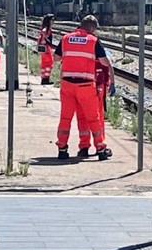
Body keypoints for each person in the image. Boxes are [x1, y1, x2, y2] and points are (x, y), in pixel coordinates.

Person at [53, 15, 113, 161]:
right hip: (85, 86)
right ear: (92, 27)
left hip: (67, 85)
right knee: (93, 118)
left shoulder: (66, 38)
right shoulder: (93, 41)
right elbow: (104, 62)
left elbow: (56, 58)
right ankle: (100, 148)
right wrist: (112, 76)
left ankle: (62, 148)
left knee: (65, 117)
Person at [95, 47, 116, 135]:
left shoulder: (102, 54)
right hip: (99, 83)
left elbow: (110, 67)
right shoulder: (104, 54)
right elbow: (110, 67)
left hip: (99, 82)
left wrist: (112, 83)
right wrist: (112, 83)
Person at [37, 14, 55, 85]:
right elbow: (44, 32)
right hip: (46, 47)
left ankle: (43, 78)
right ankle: (46, 78)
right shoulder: (47, 28)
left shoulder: (44, 27)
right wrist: (45, 38)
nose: (53, 21)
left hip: (43, 47)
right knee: (49, 62)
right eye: (52, 20)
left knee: (44, 63)